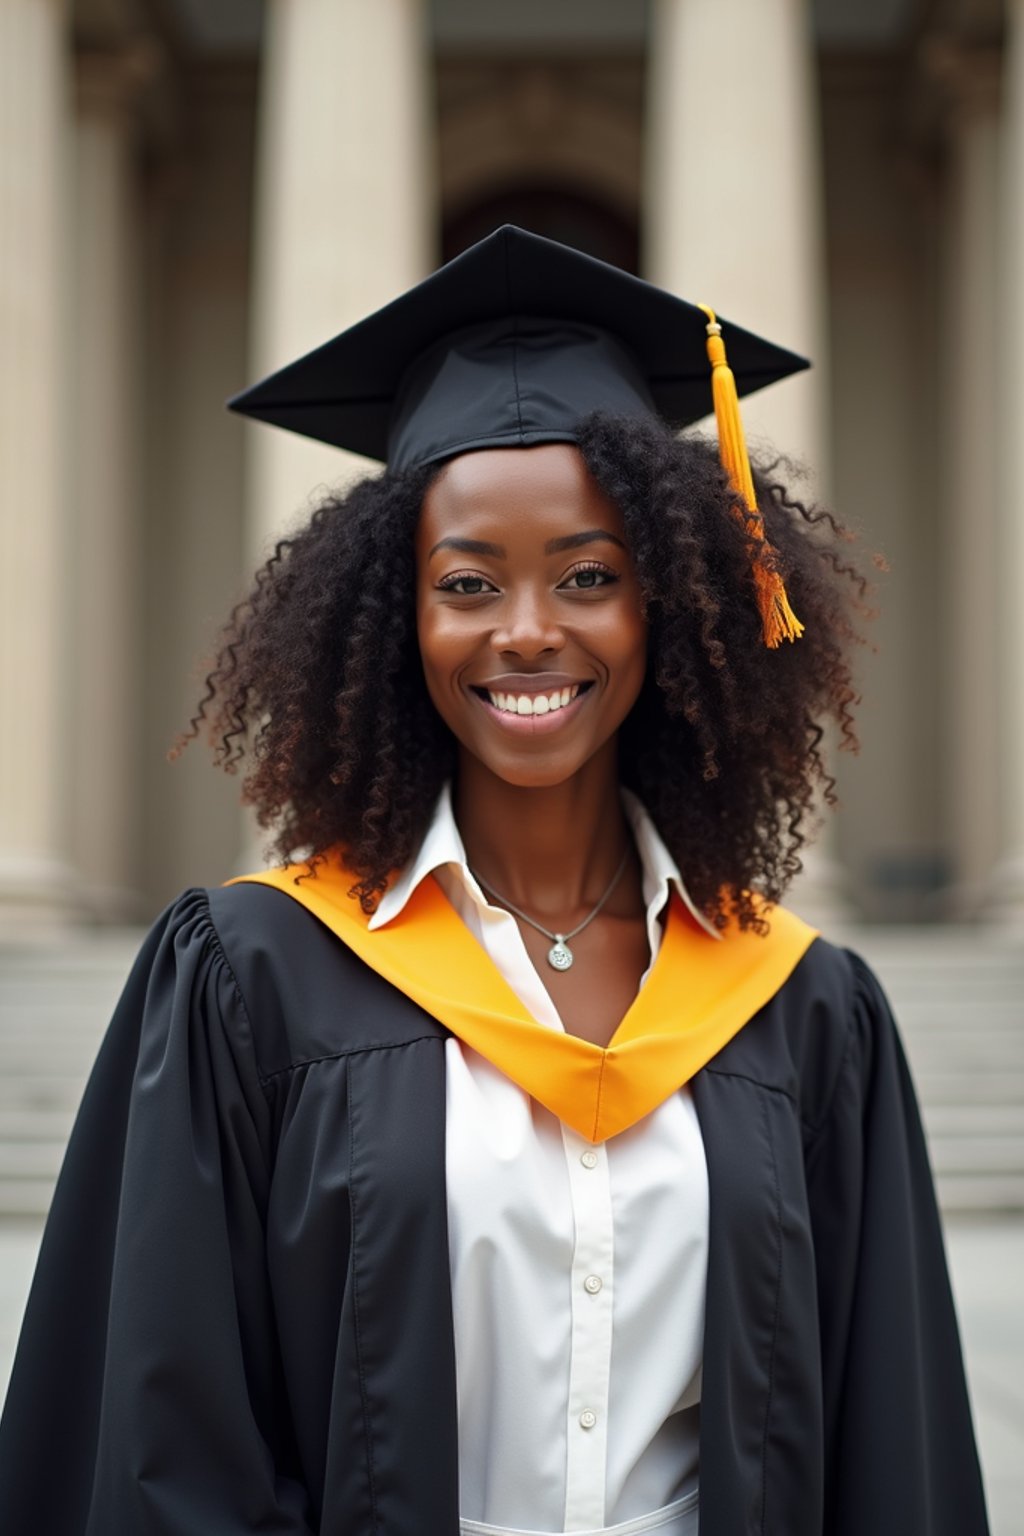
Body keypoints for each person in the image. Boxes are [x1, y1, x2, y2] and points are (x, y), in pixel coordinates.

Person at [0, 226, 989, 1536]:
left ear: (671, 611)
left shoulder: (800, 1011)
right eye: (467, 582)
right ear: (393, 619)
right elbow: (165, 1431)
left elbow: (887, 1448)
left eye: (591, 577)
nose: (528, 630)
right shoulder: (252, 981)